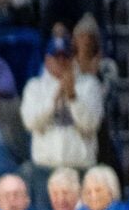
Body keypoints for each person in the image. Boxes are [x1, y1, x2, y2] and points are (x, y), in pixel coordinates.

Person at [20, 37, 102, 170]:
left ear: (72, 60)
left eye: (65, 57)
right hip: (45, 167)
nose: (61, 61)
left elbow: (90, 124)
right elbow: (30, 122)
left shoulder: (89, 84)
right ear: (47, 61)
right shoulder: (34, 87)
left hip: (80, 166)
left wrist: (72, 97)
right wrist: (53, 100)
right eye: (56, 57)